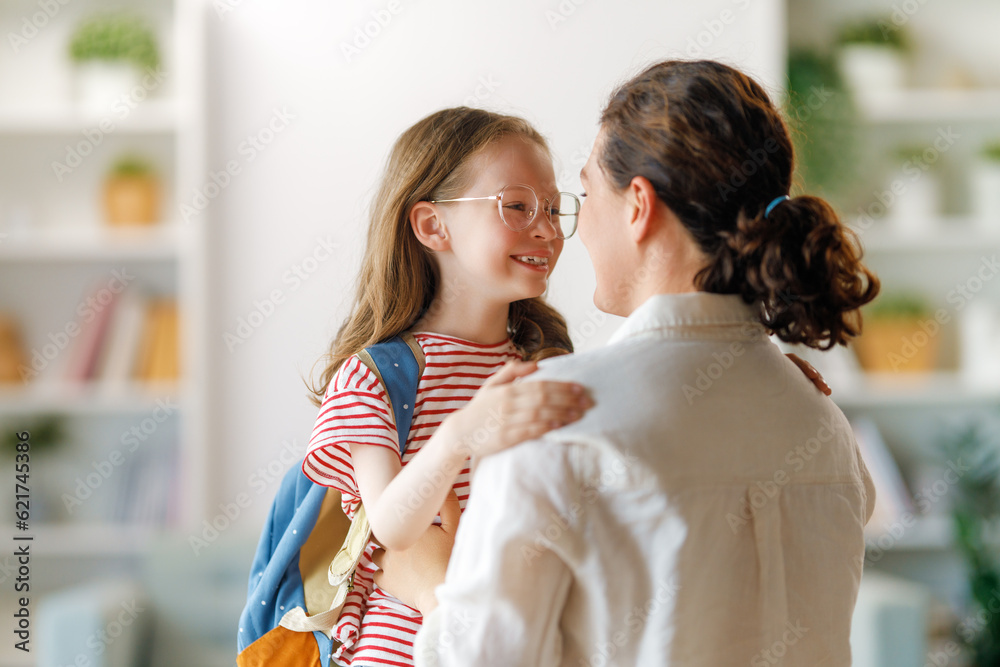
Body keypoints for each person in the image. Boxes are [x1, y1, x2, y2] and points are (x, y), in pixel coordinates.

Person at [374, 59, 880, 666]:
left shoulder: (553, 414)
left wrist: (428, 588)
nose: (569, 227)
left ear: (638, 205)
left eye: (584, 194)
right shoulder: (823, 423)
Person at [301, 107, 597, 666]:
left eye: (553, 208)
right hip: (399, 649)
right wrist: (462, 432)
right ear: (432, 226)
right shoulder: (374, 376)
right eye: (517, 206)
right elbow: (391, 524)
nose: (548, 228)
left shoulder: (544, 364)